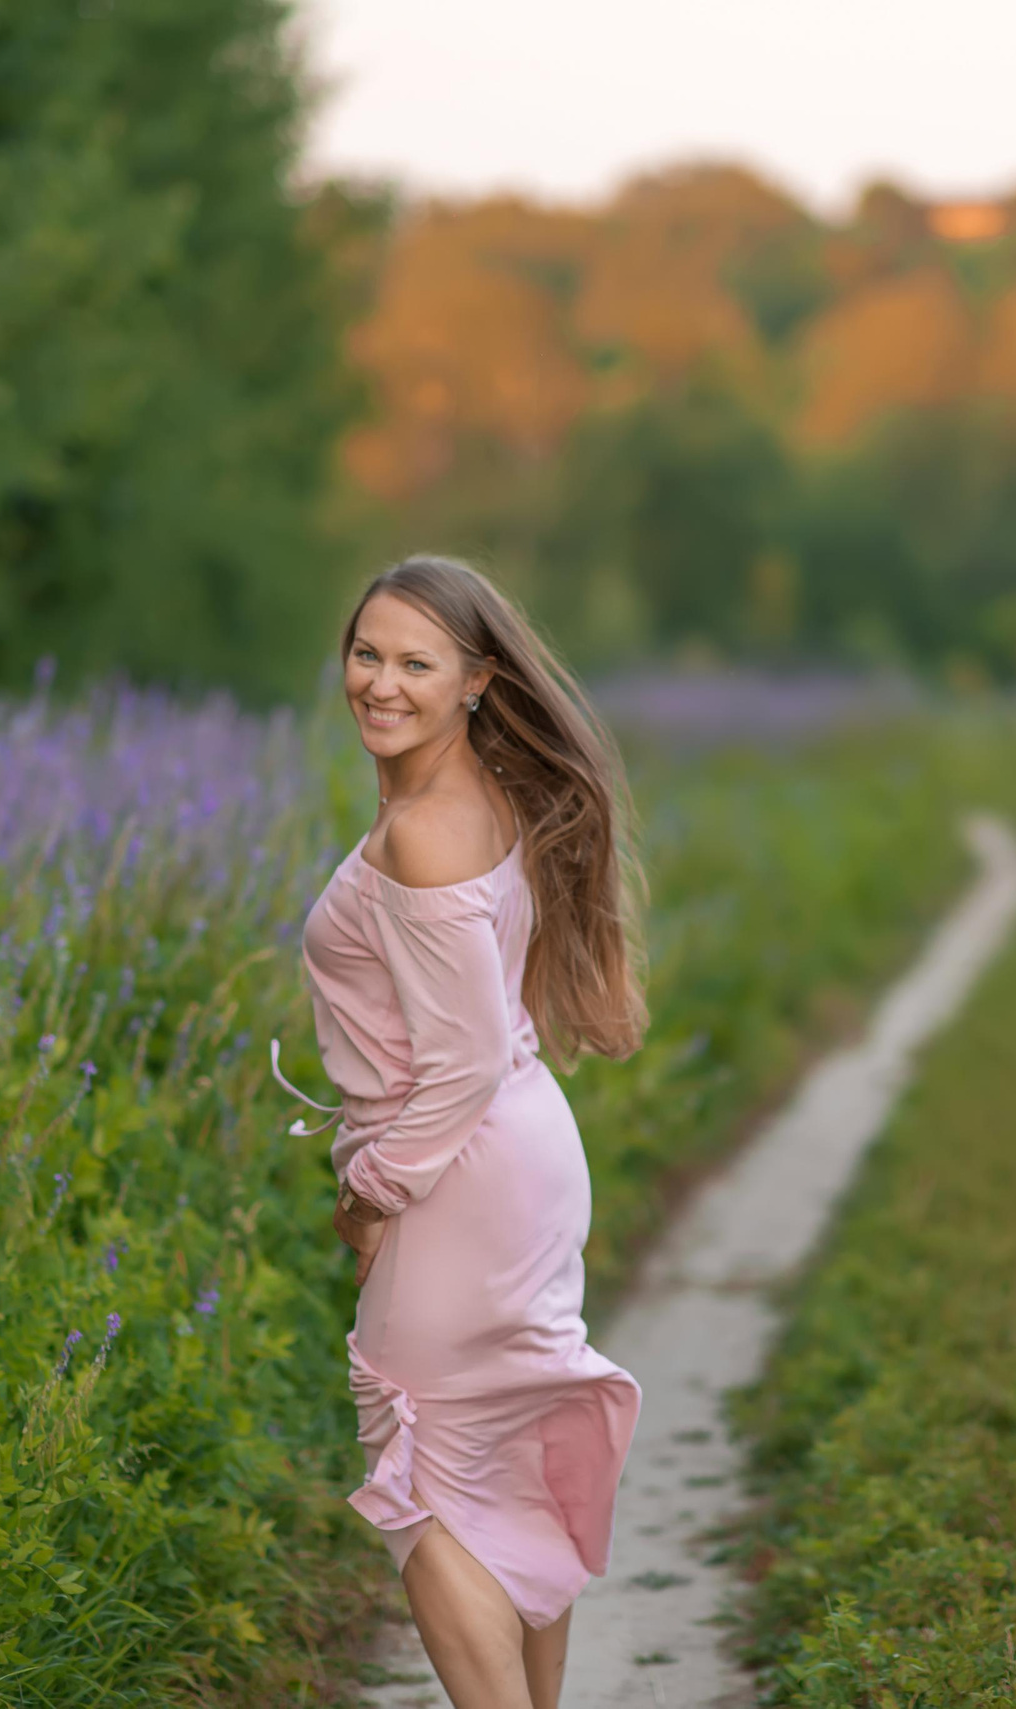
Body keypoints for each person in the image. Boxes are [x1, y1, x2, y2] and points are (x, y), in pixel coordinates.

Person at [276, 556, 646, 1709]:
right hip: (520, 1154)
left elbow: (465, 1058)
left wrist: (371, 1188)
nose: (380, 683)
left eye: (415, 663)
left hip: (459, 1170)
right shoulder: (477, 795)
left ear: (476, 680)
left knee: (425, 1466)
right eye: (367, 653)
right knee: (501, 1454)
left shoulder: (424, 831)